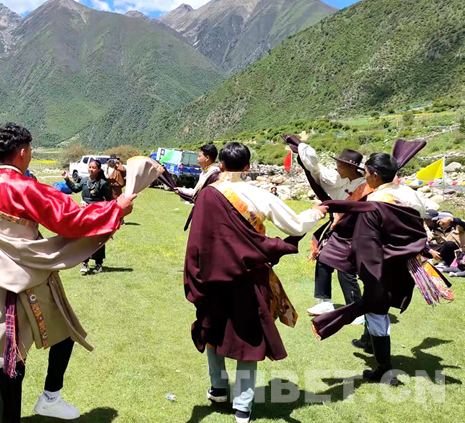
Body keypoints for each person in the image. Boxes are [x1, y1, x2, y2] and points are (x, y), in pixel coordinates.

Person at [0, 123, 135, 423]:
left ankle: (44, 402)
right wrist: (115, 209)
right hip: (28, 283)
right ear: (22, 152)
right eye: (30, 149)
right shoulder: (24, 188)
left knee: (17, 356)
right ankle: (50, 398)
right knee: (32, 350)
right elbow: (69, 219)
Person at [184, 142, 326, 423]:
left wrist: (194, 276)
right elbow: (295, 226)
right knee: (249, 339)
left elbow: (196, 242)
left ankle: (218, 388)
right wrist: (316, 212)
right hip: (249, 279)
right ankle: (243, 407)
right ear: (248, 167)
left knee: (213, 331)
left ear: (220, 165)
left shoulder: (208, 194)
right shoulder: (260, 196)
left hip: (212, 278)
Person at [313, 153, 432, 386]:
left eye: (366, 174)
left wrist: (363, 269)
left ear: (375, 175)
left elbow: (365, 242)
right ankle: (373, 350)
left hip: (380, 266)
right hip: (405, 262)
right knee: (377, 310)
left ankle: (384, 370)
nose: (365, 178)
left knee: (376, 312)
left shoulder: (375, 202)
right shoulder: (410, 194)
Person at [288, 140, 369, 318]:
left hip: (354, 234)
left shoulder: (365, 186)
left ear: (351, 167)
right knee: (323, 260)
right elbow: (320, 175)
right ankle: (324, 302)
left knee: (345, 270)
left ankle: (356, 310)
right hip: (339, 230)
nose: (337, 168)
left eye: (340, 165)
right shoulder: (343, 180)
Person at [63, 159, 113, 274]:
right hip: (84, 214)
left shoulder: (102, 183)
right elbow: (76, 189)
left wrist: (95, 207)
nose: (91, 169)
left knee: (97, 239)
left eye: (94, 168)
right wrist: (67, 179)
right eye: (90, 167)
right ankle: (84, 262)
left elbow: (109, 201)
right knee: (84, 238)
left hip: (97, 215)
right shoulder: (85, 180)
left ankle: (99, 264)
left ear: (99, 169)